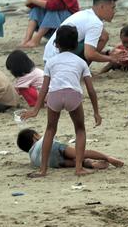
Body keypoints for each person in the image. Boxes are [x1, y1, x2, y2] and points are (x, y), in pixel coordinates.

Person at [22, 26, 101, 178]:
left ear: (56, 44)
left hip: (55, 95)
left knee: (50, 130)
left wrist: (35, 110)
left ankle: (43, 170)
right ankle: (79, 168)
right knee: (80, 130)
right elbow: (91, 90)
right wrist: (96, 112)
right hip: (73, 95)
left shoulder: (50, 62)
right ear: (76, 44)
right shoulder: (81, 62)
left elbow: (44, 88)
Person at [43, 0, 119, 68]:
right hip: (58, 63)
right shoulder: (95, 23)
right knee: (102, 37)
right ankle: (81, 70)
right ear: (102, 7)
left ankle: (81, 69)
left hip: (49, 59)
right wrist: (111, 59)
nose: (114, 11)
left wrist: (107, 53)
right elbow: (89, 54)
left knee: (103, 35)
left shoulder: (85, 14)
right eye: (112, 8)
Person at [17, 127, 119, 174]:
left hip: (51, 162)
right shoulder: (42, 141)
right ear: (35, 136)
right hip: (51, 146)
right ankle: (107, 158)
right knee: (80, 154)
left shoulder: (32, 158)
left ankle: (92, 164)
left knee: (73, 163)